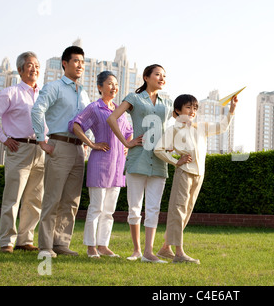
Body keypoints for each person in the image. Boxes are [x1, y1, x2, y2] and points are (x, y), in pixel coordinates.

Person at [154, 93, 238, 264]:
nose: (192, 111)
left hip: (199, 174)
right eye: (188, 107)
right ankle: (179, 253)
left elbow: (222, 127)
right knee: (178, 211)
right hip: (184, 173)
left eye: (195, 108)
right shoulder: (173, 130)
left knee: (186, 212)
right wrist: (176, 161)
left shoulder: (200, 127)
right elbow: (158, 149)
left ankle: (165, 248)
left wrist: (232, 109)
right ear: (178, 110)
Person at [68, 71, 139, 258]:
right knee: (96, 208)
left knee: (109, 211)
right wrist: (91, 144)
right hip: (100, 164)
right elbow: (75, 125)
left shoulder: (119, 111)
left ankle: (103, 245)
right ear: (100, 87)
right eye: (109, 84)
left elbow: (129, 132)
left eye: (116, 84)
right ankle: (91, 246)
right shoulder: (94, 108)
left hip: (118, 167)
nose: (114, 87)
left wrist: (127, 146)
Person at [107, 64, 173, 263]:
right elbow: (112, 118)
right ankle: (136, 250)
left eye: (164, 75)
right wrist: (126, 142)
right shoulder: (134, 98)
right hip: (138, 159)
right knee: (134, 207)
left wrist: (170, 144)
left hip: (159, 162)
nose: (162, 78)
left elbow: (175, 125)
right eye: (158, 74)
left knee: (154, 208)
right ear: (146, 77)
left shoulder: (167, 104)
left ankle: (149, 253)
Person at [0, 51, 46, 253]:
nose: (34, 68)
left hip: (41, 150)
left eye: (36, 65)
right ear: (20, 70)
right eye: (29, 65)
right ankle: (6, 242)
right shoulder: (11, 92)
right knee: (13, 198)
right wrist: (3, 138)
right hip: (19, 148)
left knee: (35, 199)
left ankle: (25, 240)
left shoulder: (44, 95)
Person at [31, 46, 90, 258]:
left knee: (72, 200)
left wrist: (86, 143)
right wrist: (41, 140)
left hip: (77, 149)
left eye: (82, 62)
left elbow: (87, 121)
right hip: (59, 146)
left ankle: (61, 243)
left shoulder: (84, 93)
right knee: (53, 198)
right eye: (76, 61)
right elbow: (37, 111)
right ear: (64, 63)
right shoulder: (54, 87)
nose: (80, 65)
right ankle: (45, 246)